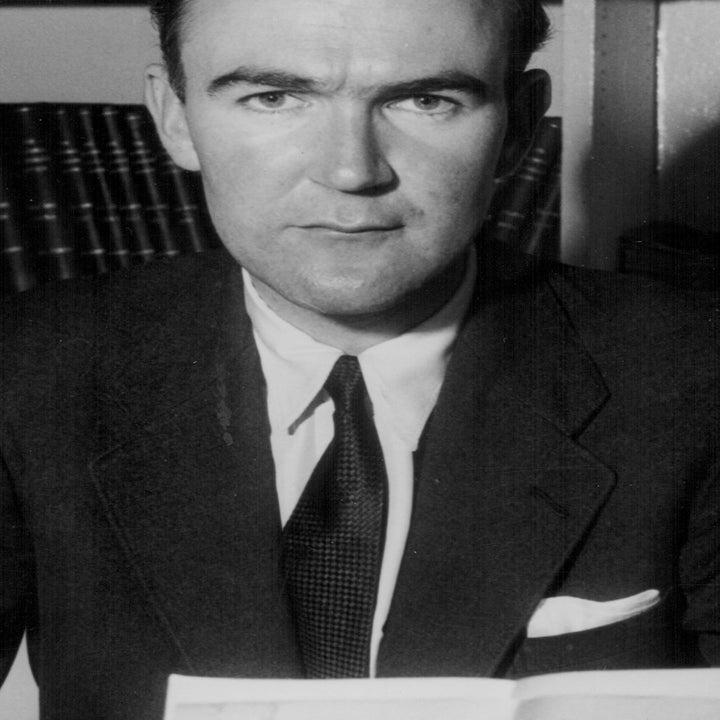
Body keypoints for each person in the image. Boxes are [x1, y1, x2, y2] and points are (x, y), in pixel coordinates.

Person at [1, 0, 718, 718]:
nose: (350, 170)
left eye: (426, 100)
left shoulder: (695, 375)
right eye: (274, 97)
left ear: (519, 125)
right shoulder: (24, 367)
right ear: (175, 117)